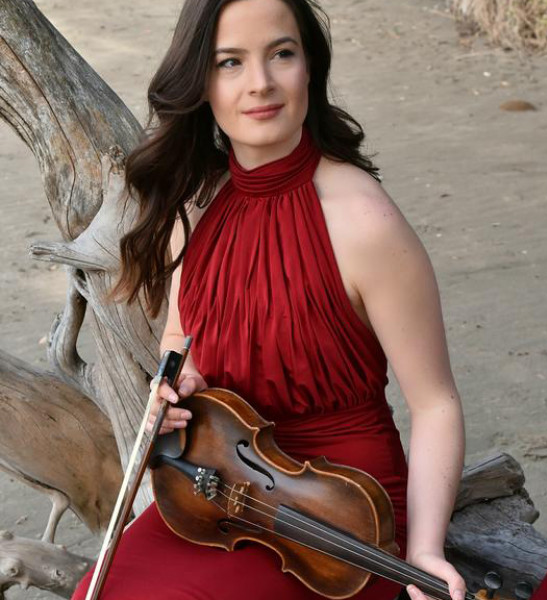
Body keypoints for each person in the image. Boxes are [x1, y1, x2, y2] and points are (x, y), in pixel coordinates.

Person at [73, 0, 466, 598]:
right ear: (201, 83)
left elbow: (435, 403)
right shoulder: (197, 207)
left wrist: (425, 552)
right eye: (230, 62)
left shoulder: (364, 221)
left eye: (281, 53)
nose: (260, 83)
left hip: (339, 511)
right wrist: (176, 386)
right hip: (219, 493)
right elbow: (181, 340)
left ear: (310, 66)